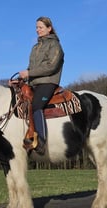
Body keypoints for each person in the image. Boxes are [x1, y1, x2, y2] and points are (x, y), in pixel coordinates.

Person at [14, 16, 64, 154]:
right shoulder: (35, 47)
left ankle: (41, 142)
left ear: (49, 28)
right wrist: (20, 80)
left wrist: (29, 73)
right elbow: (30, 68)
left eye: (41, 27)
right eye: (36, 27)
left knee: (36, 105)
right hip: (34, 83)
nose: (38, 30)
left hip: (48, 82)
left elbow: (51, 67)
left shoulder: (55, 45)